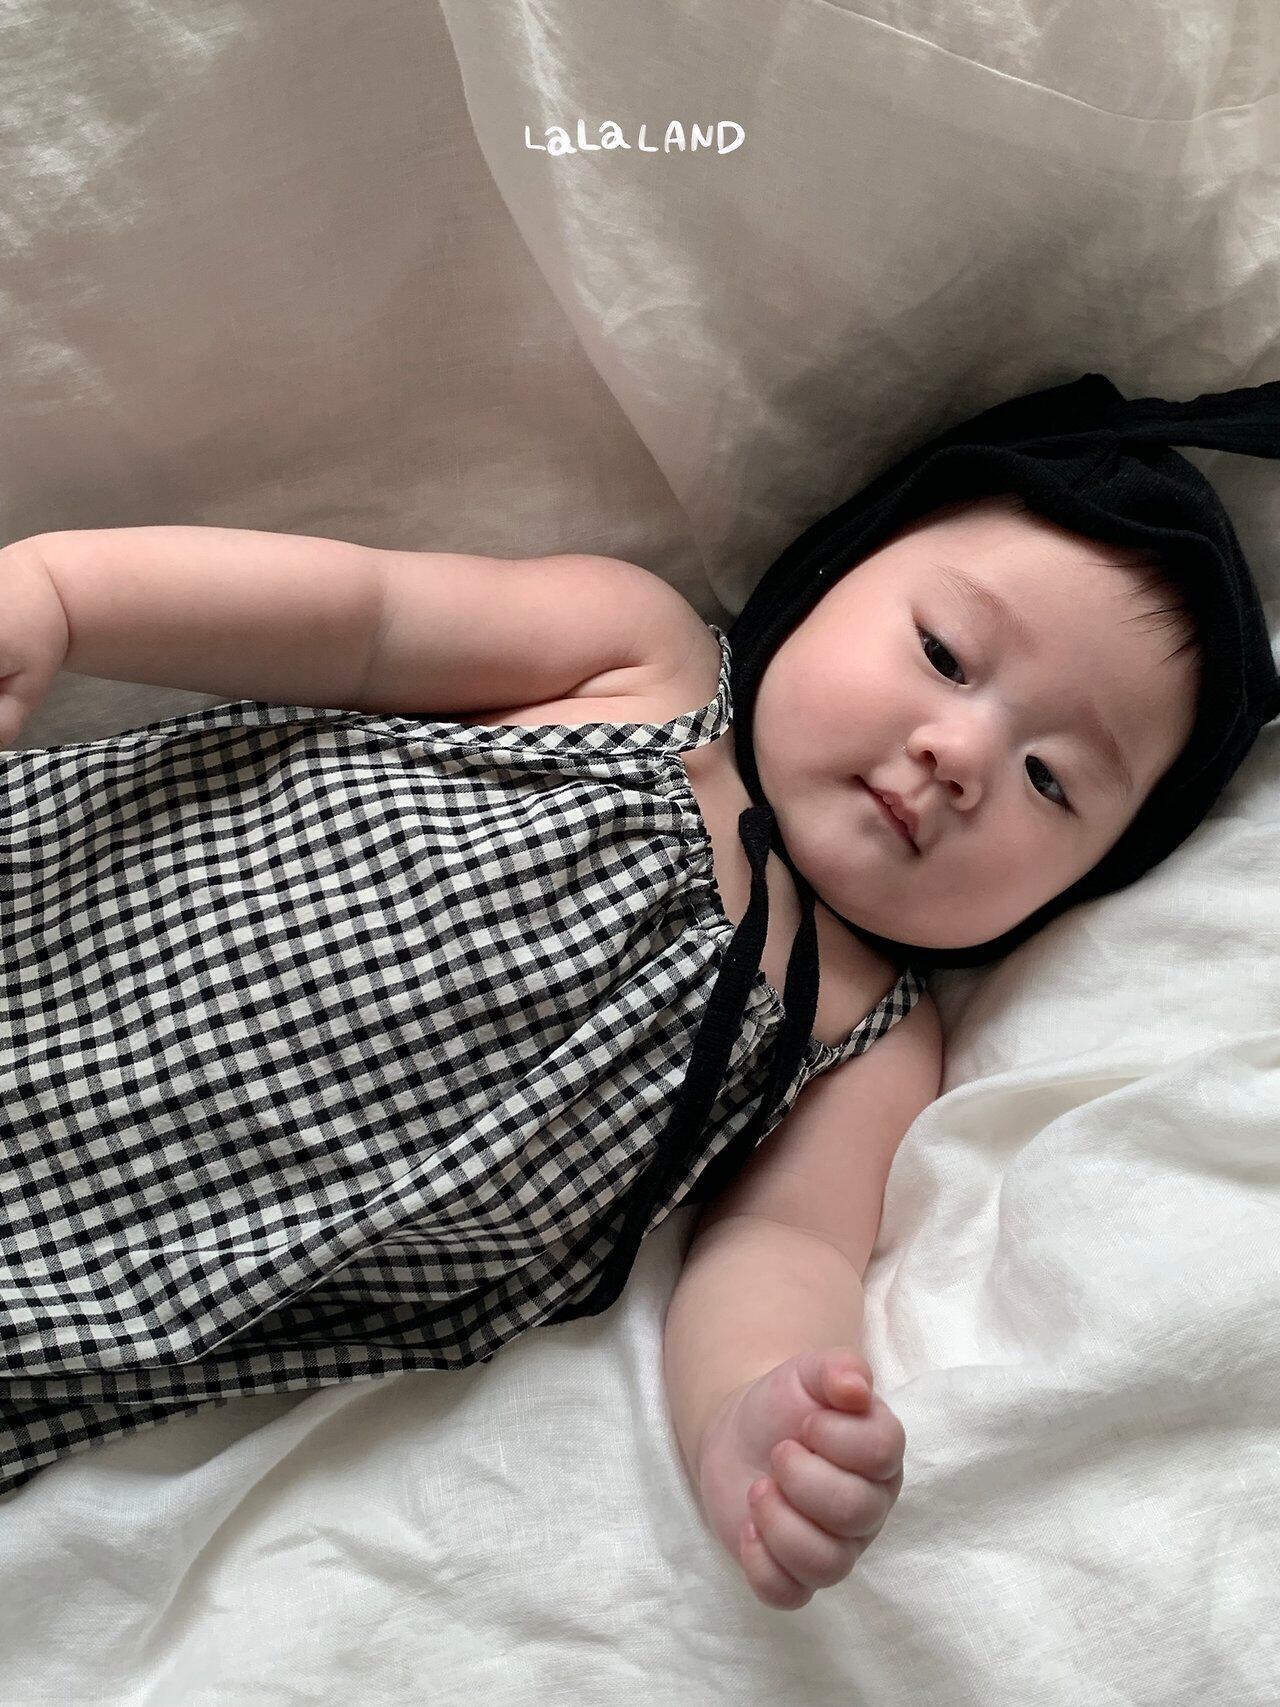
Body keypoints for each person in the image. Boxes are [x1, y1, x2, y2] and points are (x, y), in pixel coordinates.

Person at [1, 373, 1276, 1618]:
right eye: (942, 654)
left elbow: (780, 1250)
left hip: (141, 1265)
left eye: (1051, 780)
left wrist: (751, 1417)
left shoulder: (867, 1038)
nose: (958, 755)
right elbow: (360, 618)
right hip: (58, 931)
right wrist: (64, 595)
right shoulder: (638, 662)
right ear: (832, 573)